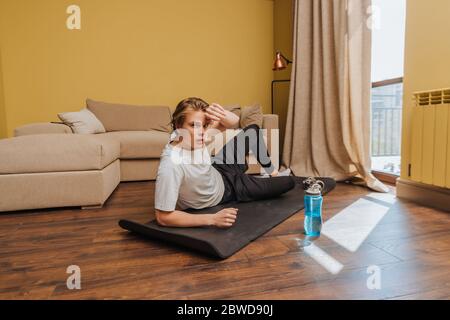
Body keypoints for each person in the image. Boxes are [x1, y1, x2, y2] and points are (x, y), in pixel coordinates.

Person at [154, 97, 295, 228]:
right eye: (193, 125)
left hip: (218, 167)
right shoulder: (171, 164)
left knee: (252, 131)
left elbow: (232, 121)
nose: (202, 132)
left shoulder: (192, 135)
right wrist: (212, 219)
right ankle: (256, 180)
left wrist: (221, 113)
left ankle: (272, 172)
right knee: (288, 182)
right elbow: (163, 217)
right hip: (227, 189)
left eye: (204, 126)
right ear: (178, 125)